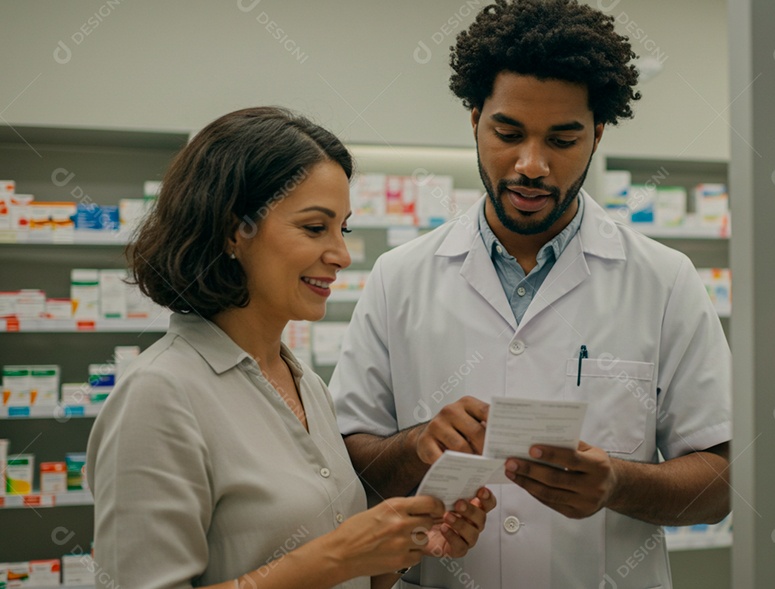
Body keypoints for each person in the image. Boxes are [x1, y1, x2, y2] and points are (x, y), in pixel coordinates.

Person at [331, 1, 733, 587]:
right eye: (508, 133)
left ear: (597, 135)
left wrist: (618, 483)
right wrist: (417, 446)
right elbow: (347, 467)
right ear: (474, 121)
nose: (531, 165)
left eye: (563, 139)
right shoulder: (400, 278)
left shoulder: (665, 281)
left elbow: (721, 484)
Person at [87, 107, 495, 589]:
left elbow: (339, 575)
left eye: (341, 228)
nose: (341, 255)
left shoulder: (306, 387)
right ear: (233, 231)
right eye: (314, 227)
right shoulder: (159, 396)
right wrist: (338, 557)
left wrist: (397, 553)